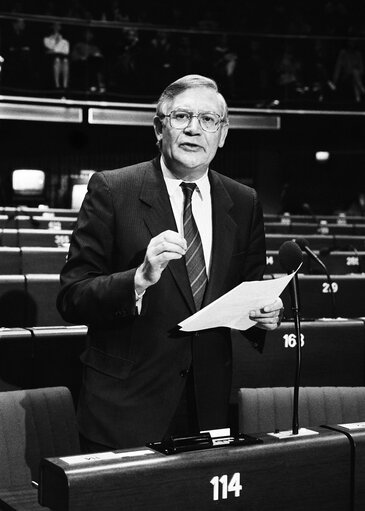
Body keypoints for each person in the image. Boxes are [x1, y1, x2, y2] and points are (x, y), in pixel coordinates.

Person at [57, 74, 283, 452]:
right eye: (181, 117)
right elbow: (72, 297)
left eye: (208, 120)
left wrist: (264, 314)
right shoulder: (113, 189)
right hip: (125, 407)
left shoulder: (244, 201)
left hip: (208, 406)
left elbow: (247, 288)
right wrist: (138, 279)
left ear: (222, 134)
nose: (194, 129)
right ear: (159, 128)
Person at [43, 22, 70, 90]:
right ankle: (57, 85)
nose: (57, 27)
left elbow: (66, 51)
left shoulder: (64, 40)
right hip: (51, 58)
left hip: (62, 57)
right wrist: (56, 43)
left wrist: (55, 49)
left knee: (65, 61)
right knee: (57, 60)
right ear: (52, 26)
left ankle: (65, 85)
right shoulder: (47, 38)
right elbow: (48, 49)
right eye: (55, 25)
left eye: (59, 25)